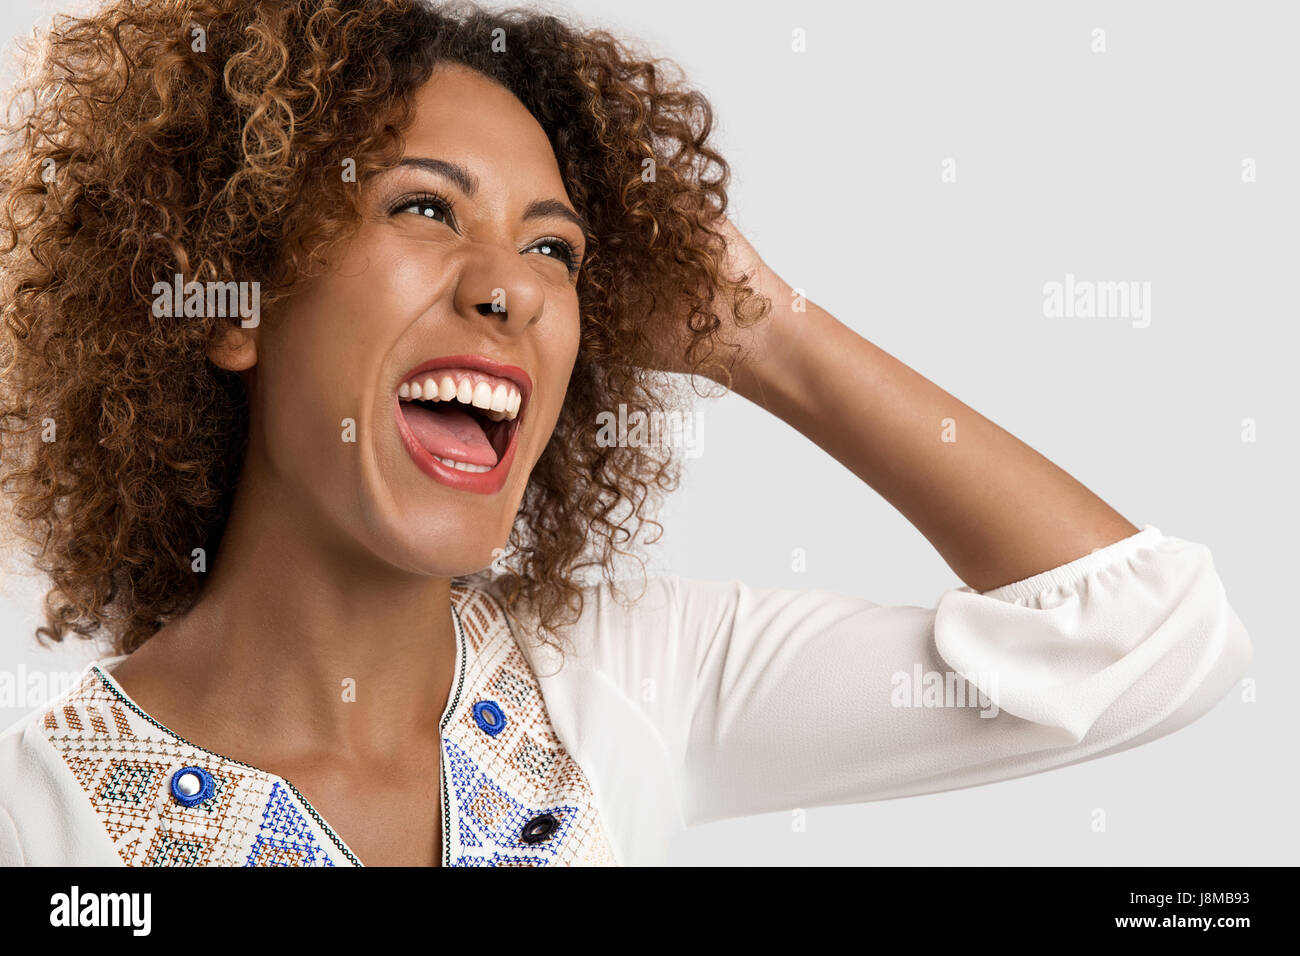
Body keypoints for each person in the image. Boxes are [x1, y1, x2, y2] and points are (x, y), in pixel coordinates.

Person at [0, 0, 1251, 867]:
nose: (511, 288)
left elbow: (1146, 640)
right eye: (425, 208)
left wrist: (762, 332)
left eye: (554, 248)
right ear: (238, 300)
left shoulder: (630, 679)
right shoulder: (34, 819)